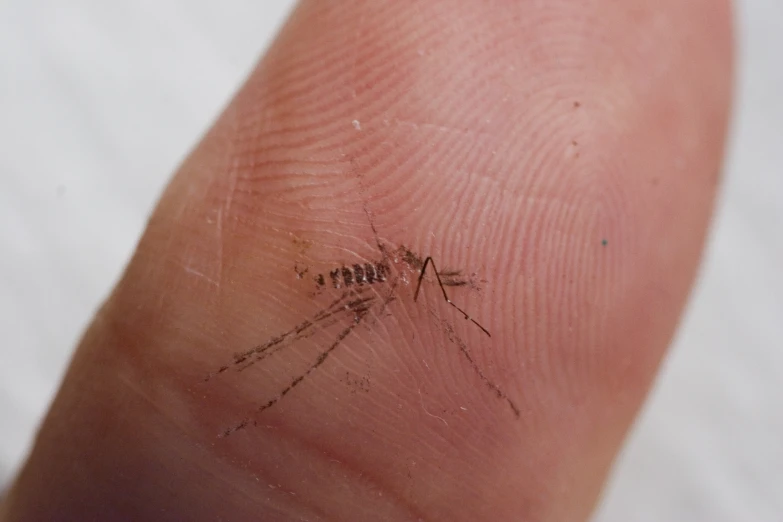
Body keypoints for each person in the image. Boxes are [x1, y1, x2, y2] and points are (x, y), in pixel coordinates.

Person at [0, 1, 733, 520]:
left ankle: (252, 377)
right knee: (315, 345)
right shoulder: (398, 284)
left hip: (370, 282)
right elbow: (410, 281)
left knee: (329, 341)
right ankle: (256, 377)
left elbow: (418, 273)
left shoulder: (418, 277)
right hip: (357, 286)